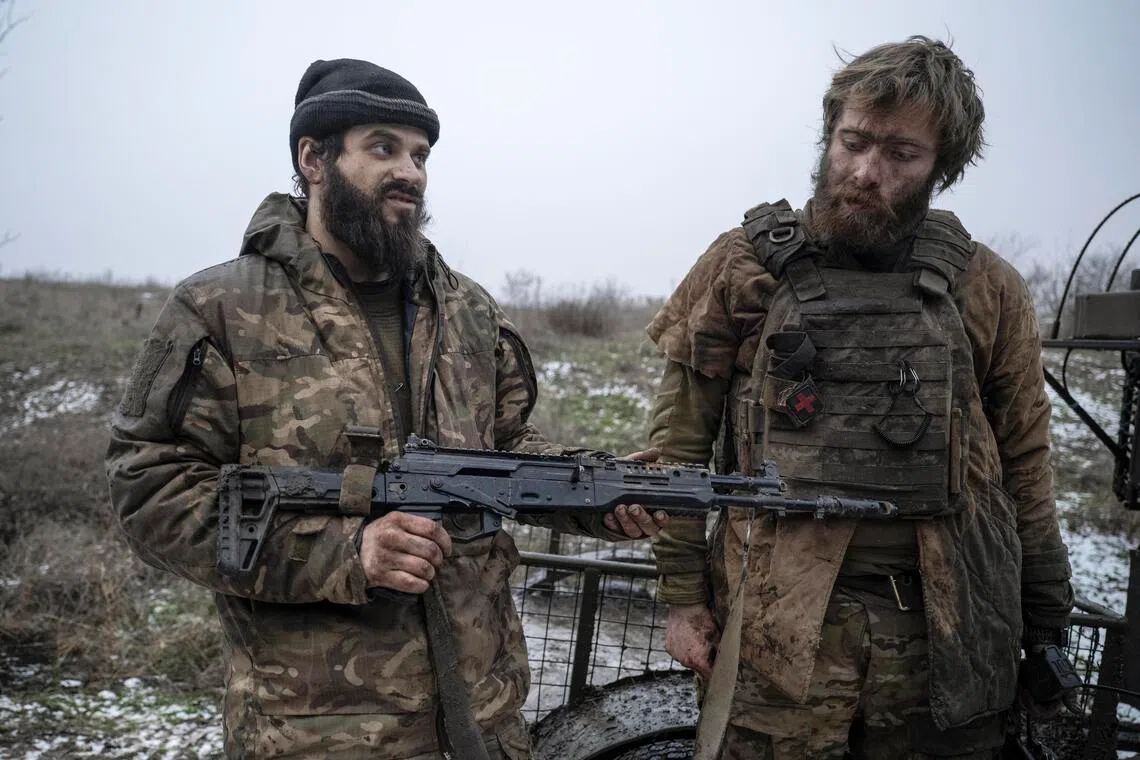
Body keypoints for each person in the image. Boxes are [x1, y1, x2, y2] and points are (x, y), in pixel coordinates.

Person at [106, 58, 664, 760]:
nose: (411, 172)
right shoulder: (221, 310)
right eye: (383, 147)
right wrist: (345, 554)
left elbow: (506, 453)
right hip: (316, 734)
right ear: (313, 158)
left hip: (484, 724)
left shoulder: (467, 309)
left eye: (421, 154)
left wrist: (599, 491)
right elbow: (149, 491)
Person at [645, 36, 1074, 759]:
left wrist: (1045, 618)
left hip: (951, 636)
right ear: (829, 135)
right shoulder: (741, 266)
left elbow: (1025, 461)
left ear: (944, 166)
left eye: (901, 155)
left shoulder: (987, 287)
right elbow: (677, 447)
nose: (866, 173)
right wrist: (683, 597)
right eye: (852, 143)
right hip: (778, 639)